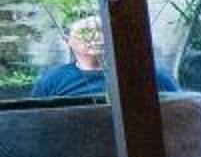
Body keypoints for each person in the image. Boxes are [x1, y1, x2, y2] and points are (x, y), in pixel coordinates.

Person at [28, 14, 179, 100]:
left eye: (102, 30)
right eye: (85, 32)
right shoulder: (51, 80)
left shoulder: (151, 75)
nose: (95, 37)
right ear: (68, 40)